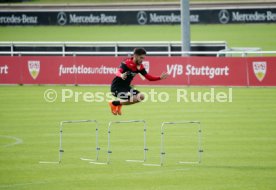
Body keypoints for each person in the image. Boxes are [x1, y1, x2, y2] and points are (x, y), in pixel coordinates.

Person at [109, 48, 168, 115]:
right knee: (132, 98)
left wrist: (160, 78)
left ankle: (117, 103)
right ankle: (113, 103)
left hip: (126, 87)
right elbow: (117, 72)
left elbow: (149, 77)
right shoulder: (126, 63)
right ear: (135, 56)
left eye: (143, 58)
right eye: (141, 58)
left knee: (141, 96)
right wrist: (121, 75)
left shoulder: (140, 66)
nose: (142, 60)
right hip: (116, 88)